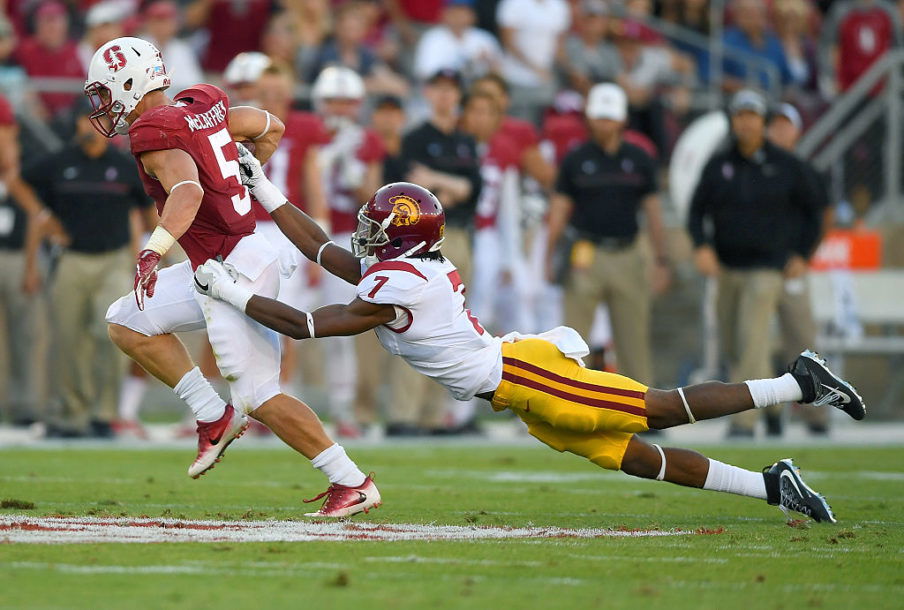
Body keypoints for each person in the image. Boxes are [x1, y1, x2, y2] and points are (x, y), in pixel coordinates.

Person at [196, 170, 866, 525]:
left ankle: (799, 382)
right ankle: (773, 487)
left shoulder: (400, 282)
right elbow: (322, 249)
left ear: (399, 239)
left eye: (376, 227)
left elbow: (310, 326)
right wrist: (268, 192)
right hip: (515, 384)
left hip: (524, 375)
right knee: (634, 460)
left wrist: (228, 292)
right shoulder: (405, 268)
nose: (366, 235)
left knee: (658, 410)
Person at [84, 36, 378, 517]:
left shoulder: (152, 130)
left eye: (105, 91)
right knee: (127, 320)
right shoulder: (200, 105)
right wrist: (247, 169)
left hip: (232, 267)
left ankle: (351, 481)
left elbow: (187, 190)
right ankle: (211, 413)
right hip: (227, 259)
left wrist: (152, 250)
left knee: (260, 395)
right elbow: (270, 125)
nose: (103, 104)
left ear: (128, 83)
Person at [688, 90, 825, 438]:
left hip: (768, 268)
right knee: (734, 343)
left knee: (752, 339)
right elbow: (696, 210)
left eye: (753, 116)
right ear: (733, 121)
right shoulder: (719, 163)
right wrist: (701, 246)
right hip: (728, 267)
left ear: (762, 123)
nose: (746, 122)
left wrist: (803, 254)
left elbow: (815, 213)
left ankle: (743, 422)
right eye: (740, 116)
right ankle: (774, 406)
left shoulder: (787, 165)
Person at [21, 101, 153, 438]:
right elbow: (19, 181)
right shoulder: (59, 163)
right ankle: (70, 414)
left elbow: (144, 211)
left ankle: (104, 413)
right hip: (71, 258)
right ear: (78, 123)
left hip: (113, 260)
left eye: (101, 121)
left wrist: (149, 254)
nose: (92, 127)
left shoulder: (124, 165)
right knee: (68, 338)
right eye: (87, 120)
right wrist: (42, 217)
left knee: (109, 334)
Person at [547, 83, 670, 388]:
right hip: (585, 253)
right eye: (599, 117)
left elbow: (653, 211)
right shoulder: (576, 159)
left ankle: (641, 408)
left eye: (609, 117)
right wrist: (549, 254)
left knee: (633, 337)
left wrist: (660, 259)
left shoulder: (640, 158)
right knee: (572, 337)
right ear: (589, 118)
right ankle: (566, 402)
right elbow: (560, 209)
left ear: (621, 120)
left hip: (628, 252)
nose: (604, 124)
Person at [390, 67, 482, 434]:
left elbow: (472, 189)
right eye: (439, 89)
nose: (445, 96)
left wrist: (441, 181)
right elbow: (413, 188)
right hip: (422, 238)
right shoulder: (414, 138)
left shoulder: (466, 141)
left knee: (451, 323)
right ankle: (403, 413)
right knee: (412, 320)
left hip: (459, 232)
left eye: (451, 89)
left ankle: (434, 413)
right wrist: (451, 186)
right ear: (429, 93)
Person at [310, 65, 385, 438]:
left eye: (347, 102)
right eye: (333, 101)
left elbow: (372, 201)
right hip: (302, 234)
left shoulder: (365, 140)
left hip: (343, 240)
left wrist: (350, 166)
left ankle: (344, 411)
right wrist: (325, 158)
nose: (339, 109)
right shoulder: (305, 131)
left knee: (340, 330)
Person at [767, 103, 833, 435]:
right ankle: (768, 415)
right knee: (754, 346)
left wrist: (805, 257)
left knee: (803, 344)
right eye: (774, 125)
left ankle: (817, 417)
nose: (779, 132)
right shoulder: (755, 167)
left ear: (797, 130)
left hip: (791, 268)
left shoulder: (804, 171)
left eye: (785, 125)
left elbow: (823, 216)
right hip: (756, 268)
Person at [495, 0, 571, 122]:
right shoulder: (513, 3)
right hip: (515, 77)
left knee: (546, 123)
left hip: (546, 78)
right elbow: (508, 42)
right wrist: (535, 68)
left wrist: (566, 69)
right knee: (517, 124)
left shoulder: (559, 6)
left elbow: (559, 46)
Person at [412, 0, 502, 83]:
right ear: (444, 13)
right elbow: (424, 74)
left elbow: (500, 74)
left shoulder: (484, 39)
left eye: (462, 11)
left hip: (475, 91)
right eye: (453, 11)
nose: (458, 16)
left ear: (473, 15)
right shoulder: (432, 38)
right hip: (444, 89)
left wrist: (489, 62)